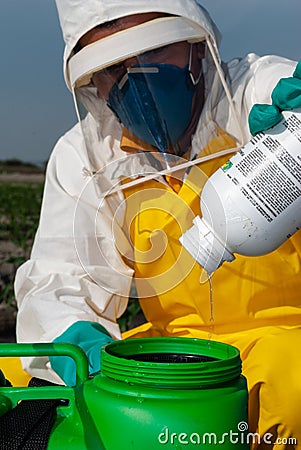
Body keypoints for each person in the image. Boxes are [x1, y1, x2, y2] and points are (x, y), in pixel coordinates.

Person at [15, 0, 301, 446]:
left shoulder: (253, 94)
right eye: (114, 69)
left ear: (195, 45)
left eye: (153, 54)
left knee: (292, 387)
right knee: (19, 372)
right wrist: (78, 343)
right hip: (175, 350)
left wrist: (291, 123)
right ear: (92, 81)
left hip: (288, 337)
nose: (138, 82)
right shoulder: (90, 156)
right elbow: (60, 281)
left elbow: (275, 90)